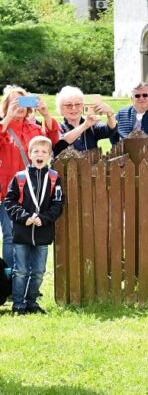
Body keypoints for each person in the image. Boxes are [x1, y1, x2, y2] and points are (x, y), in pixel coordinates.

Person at [0, 86, 61, 269]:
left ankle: (30, 280)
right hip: (8, 192)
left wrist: (45, 113)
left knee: (33, 234)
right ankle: (12, 281)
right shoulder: (3, 126)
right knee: (11, 236)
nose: (19, 107)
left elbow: (53, 141)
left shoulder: (34, 128)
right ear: (6, 105)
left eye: (23, 102)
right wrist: (8, 118)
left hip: (34, 192)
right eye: (14, 103)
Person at [4, 135, 64, 315]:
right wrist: (24, 217)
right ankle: (18, 304)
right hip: (22, 233)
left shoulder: (54, 178)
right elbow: (9, 201)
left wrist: (44, 219)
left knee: (38, 271)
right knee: (20, 271)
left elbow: (58, 204)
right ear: (29, 154)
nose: (40, 154)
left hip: (43, 232)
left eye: (44, 151)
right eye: (36, 151)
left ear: (50, 156)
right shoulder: (19, 177)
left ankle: (31, 302)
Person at [53, 86, 117, 155]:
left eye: (78, 104)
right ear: (61, 108)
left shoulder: (91, 126)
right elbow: (60, 143)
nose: (74, 108)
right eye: (69, 105)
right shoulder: (58, 127)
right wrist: (84, 126)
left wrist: (110, 114)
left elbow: (110, 130)